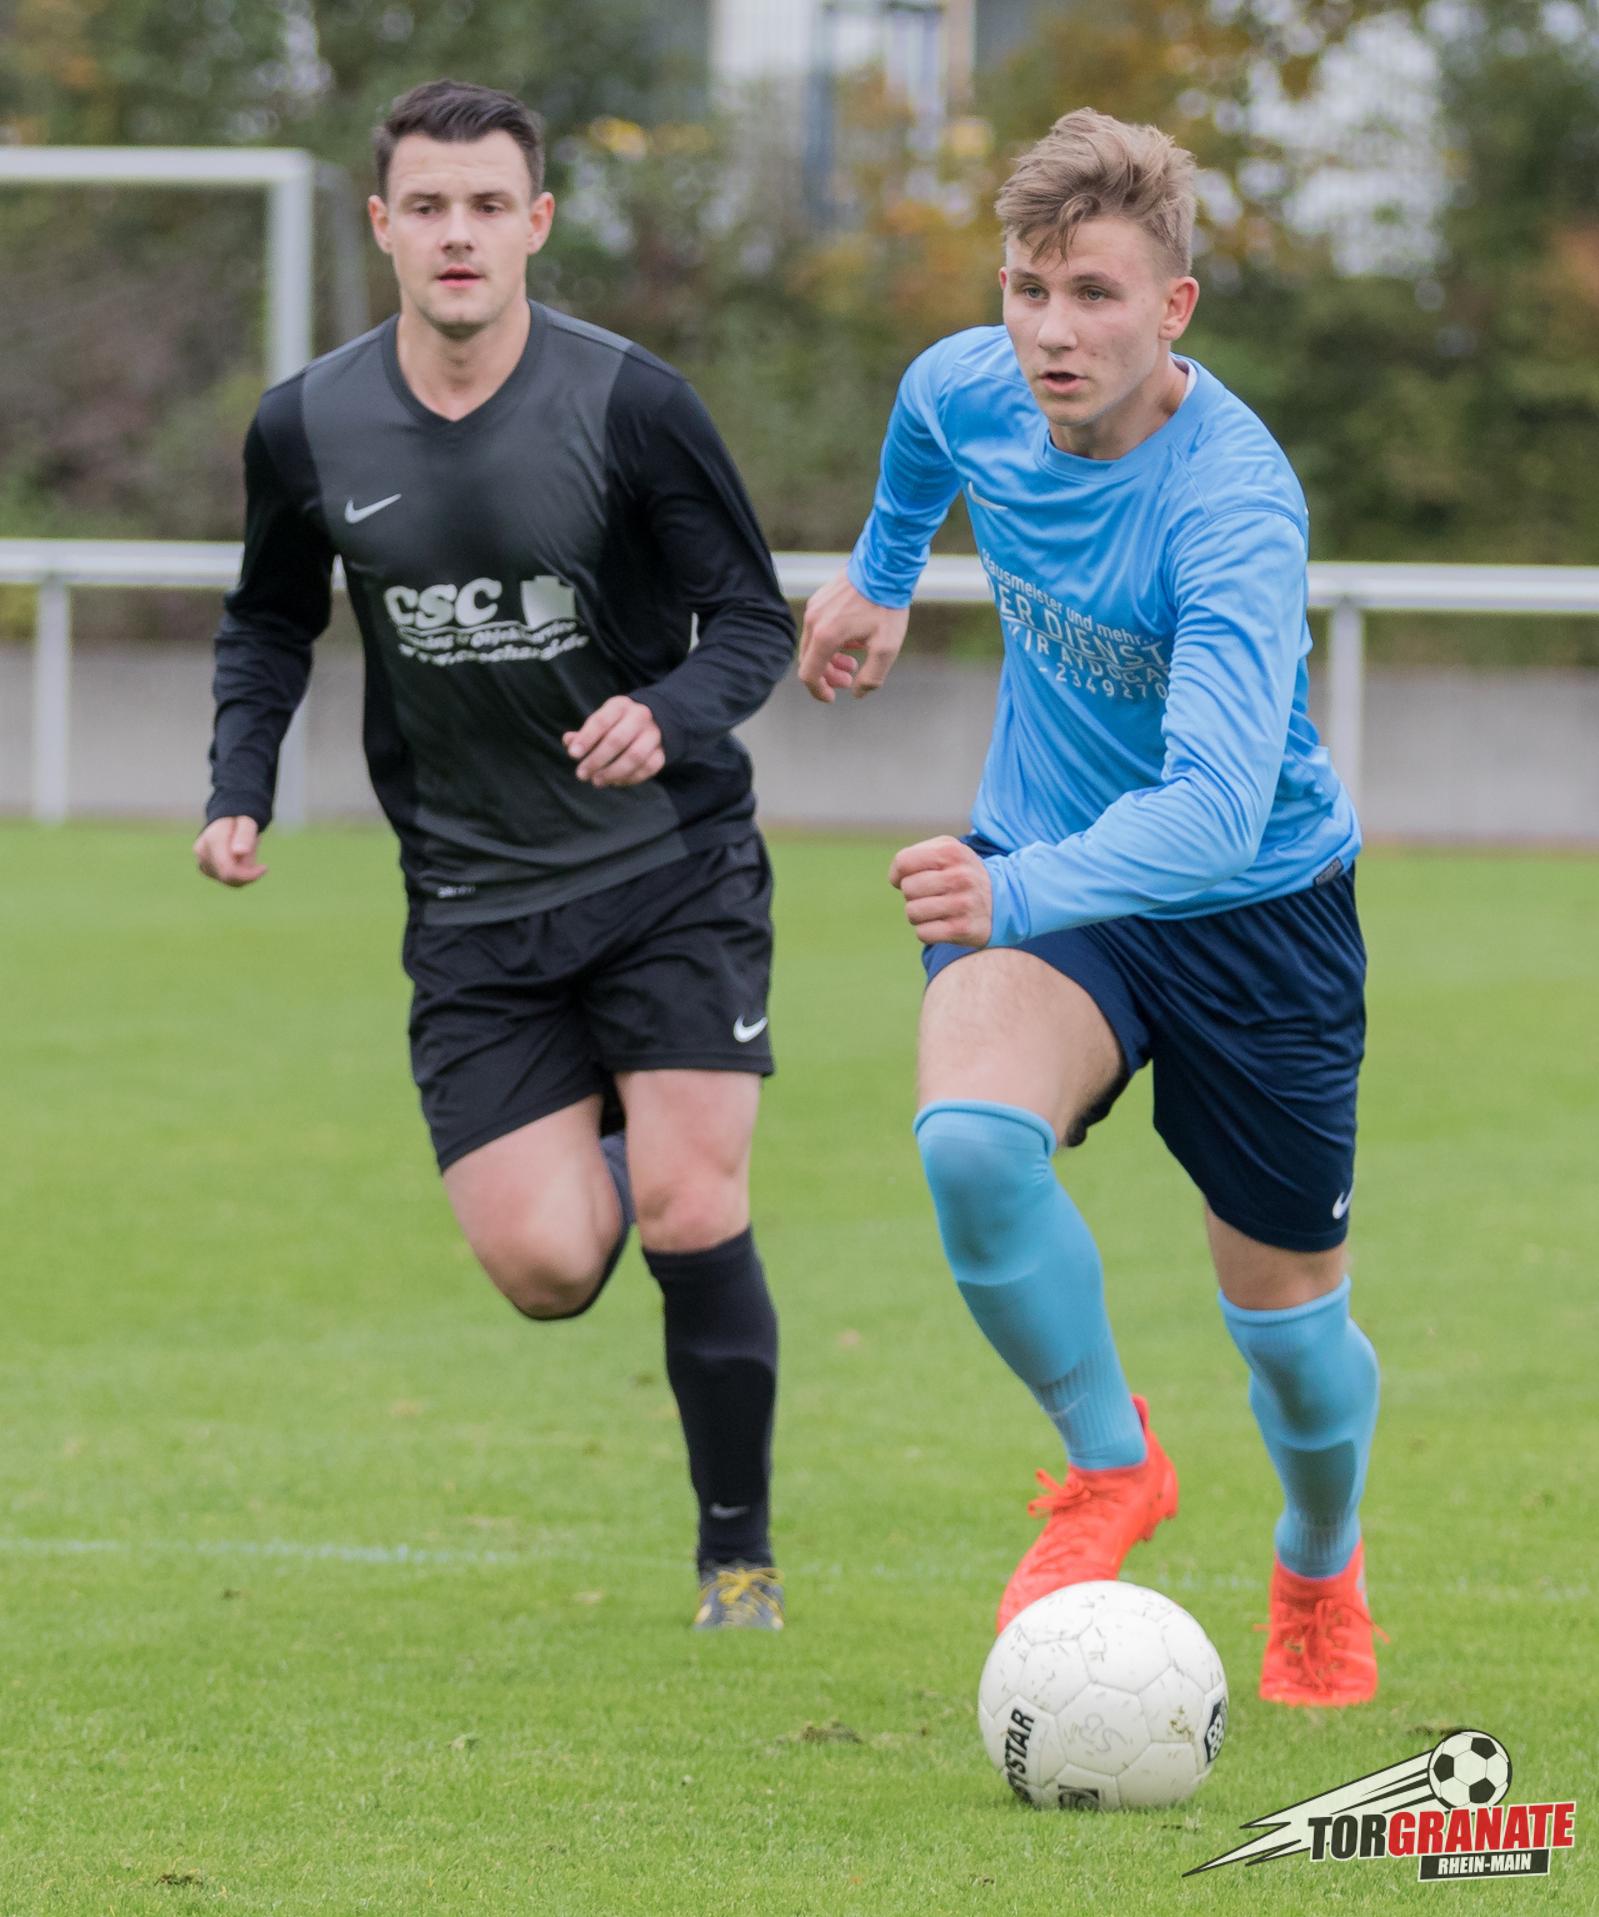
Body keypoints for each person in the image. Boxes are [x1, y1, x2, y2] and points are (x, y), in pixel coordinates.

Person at [799, 108, 1382, 1703]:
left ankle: (1318, 1563)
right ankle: (1111, 1460)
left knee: (1291, 1342)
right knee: (971, 1143)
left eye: (1096, 296)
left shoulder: (1234, 510)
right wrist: (882, 576)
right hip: (1054, 878)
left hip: (1257, 909)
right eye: (1029, 289)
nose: (1052, 332)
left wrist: (1012, 886)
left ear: (1173, 308)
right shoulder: (972, 384)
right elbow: (923, 429)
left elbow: (1210, 812)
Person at [196, 79, 794, 1631]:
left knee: (691, 1207)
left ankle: (737, 1556)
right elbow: (267, 621)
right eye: (428, 207)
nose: (457, 234)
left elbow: (752, 621)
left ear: (535, 224)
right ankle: (628, 1118)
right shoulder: (306, 423)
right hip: (473, 904)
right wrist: (240, 783)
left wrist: (668, 713)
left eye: (486, 206)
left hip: (667, 868)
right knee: (545, 1266)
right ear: (382, 226)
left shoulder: (632, 402)